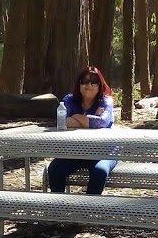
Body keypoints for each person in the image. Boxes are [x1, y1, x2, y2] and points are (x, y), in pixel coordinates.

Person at [47, 66, 118, 195]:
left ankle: (88, 210)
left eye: (94, 82)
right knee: (55, 169)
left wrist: (76, 117)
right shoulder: (69, 99)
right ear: (79, 84)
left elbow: (102, 122)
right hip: (76, 151)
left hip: (105, 152)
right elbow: (62, 122)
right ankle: (58, 207)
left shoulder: (106, 101)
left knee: (99, 172)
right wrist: (91, 120)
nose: (88, 85)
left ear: (100, 85)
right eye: (84, 81)